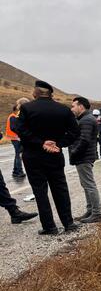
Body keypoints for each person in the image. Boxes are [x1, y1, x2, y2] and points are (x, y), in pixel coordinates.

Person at [16, 80, 80, 235]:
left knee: (40, 192)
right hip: (55, 155)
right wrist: (58, 143)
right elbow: (75, 132)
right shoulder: (63, 110)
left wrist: (41, 143)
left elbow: (21, 131)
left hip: (33, 156)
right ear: (51, 94)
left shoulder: (26, 108)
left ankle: (49, 226)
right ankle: (68, 223)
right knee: (60, 189)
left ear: (35, 93)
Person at [69, 97, 101, 223]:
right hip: (84, 156)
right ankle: (90, 210)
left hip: (84, 156)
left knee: (89, 185)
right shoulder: (85, 119)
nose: (72, 109)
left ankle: (97, 213)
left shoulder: (86, 120)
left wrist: (73, 152)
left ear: (81, 106)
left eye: (73, 106)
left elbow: (84, 140)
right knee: (86, 184)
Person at [6, 98, 29, 180]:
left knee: (17, 154)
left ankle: (16, 171)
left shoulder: (14, 116)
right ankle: (18, 172)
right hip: (16, 138)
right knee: (18, 155)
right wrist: (20, 135)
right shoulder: (13, 117)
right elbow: (14, 128)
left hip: (16, 138)